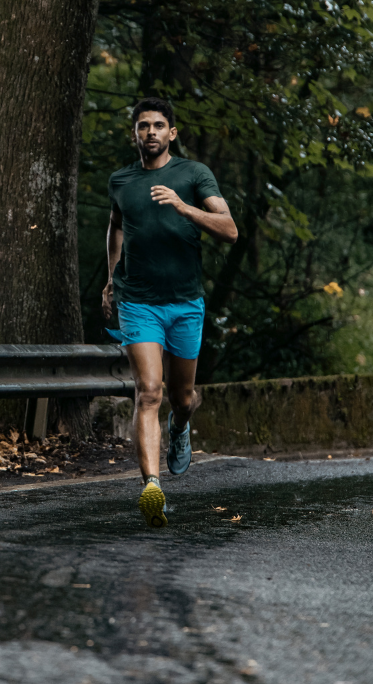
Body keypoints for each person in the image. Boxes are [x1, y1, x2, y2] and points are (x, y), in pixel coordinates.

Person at [102, 97, 238, 527]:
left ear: (172, 133)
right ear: (134, 134)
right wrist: (111, 279)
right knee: (149, 392)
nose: (151, 133)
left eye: (159, 125)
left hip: (185, 303)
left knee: (181, 397)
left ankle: (181, 428)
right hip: (138, 302)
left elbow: (230, 230)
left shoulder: (194, 175)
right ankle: (152, 487)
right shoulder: (121, 180)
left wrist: (183, 206)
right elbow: (117, 226)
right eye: (143, 126)